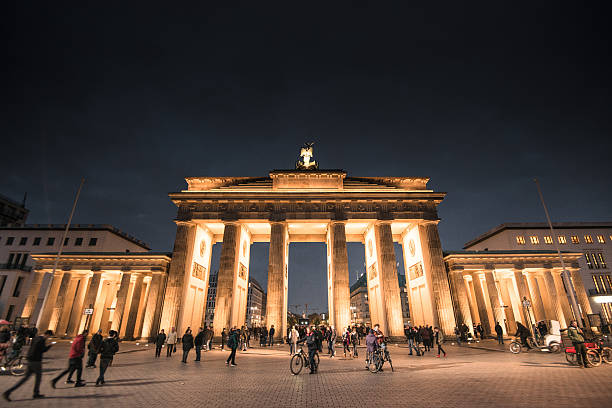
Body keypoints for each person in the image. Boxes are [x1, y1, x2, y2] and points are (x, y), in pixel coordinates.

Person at [3, 329, 53, 401]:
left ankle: (8, 392)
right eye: (49, 336)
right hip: (36, 361)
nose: (48, 338)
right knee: (38, 378)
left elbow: (32, 348)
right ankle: (36, 393)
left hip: (30, 360)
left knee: (25, 379)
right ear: (47, 335)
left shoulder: (36, 338)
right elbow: (43, 350)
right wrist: (49, 346)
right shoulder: (41, 340)